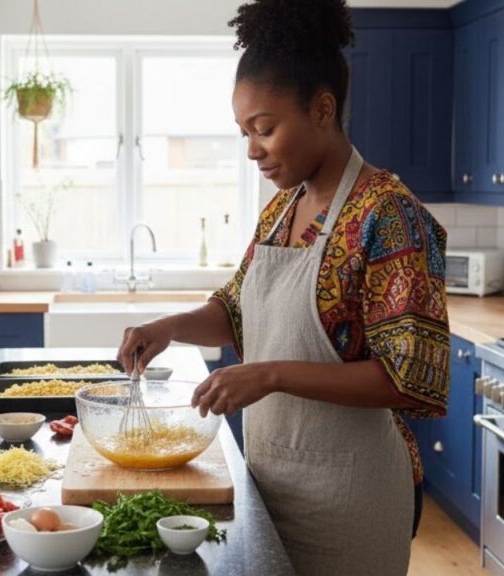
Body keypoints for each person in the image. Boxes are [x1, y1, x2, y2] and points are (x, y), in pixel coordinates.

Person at [117, 0, 450, 573]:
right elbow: (236, 309)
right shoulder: (281, 210)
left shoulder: (389, 215)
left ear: (322, 109)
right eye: (244, 132)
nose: (252, 150)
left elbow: (408, 377)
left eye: (265, 129)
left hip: (353, 499)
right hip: (272, 483)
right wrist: (168, 328)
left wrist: (270, 375)